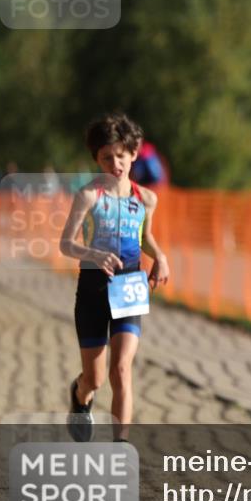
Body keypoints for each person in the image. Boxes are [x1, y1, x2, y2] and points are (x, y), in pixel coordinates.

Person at [59, 113, 170, 442]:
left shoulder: (146, 199)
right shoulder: (88, 196)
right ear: (97, 158)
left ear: (134, 154)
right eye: (106, 157)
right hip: (93, 289)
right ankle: (80, 397)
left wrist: (160, 257)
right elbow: (66, 243)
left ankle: (120, 446)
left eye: (121, 155)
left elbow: (145, 237)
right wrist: (93, 255)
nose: (115, 163)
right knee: (95, 379)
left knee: (121, 369)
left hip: (130, 287)